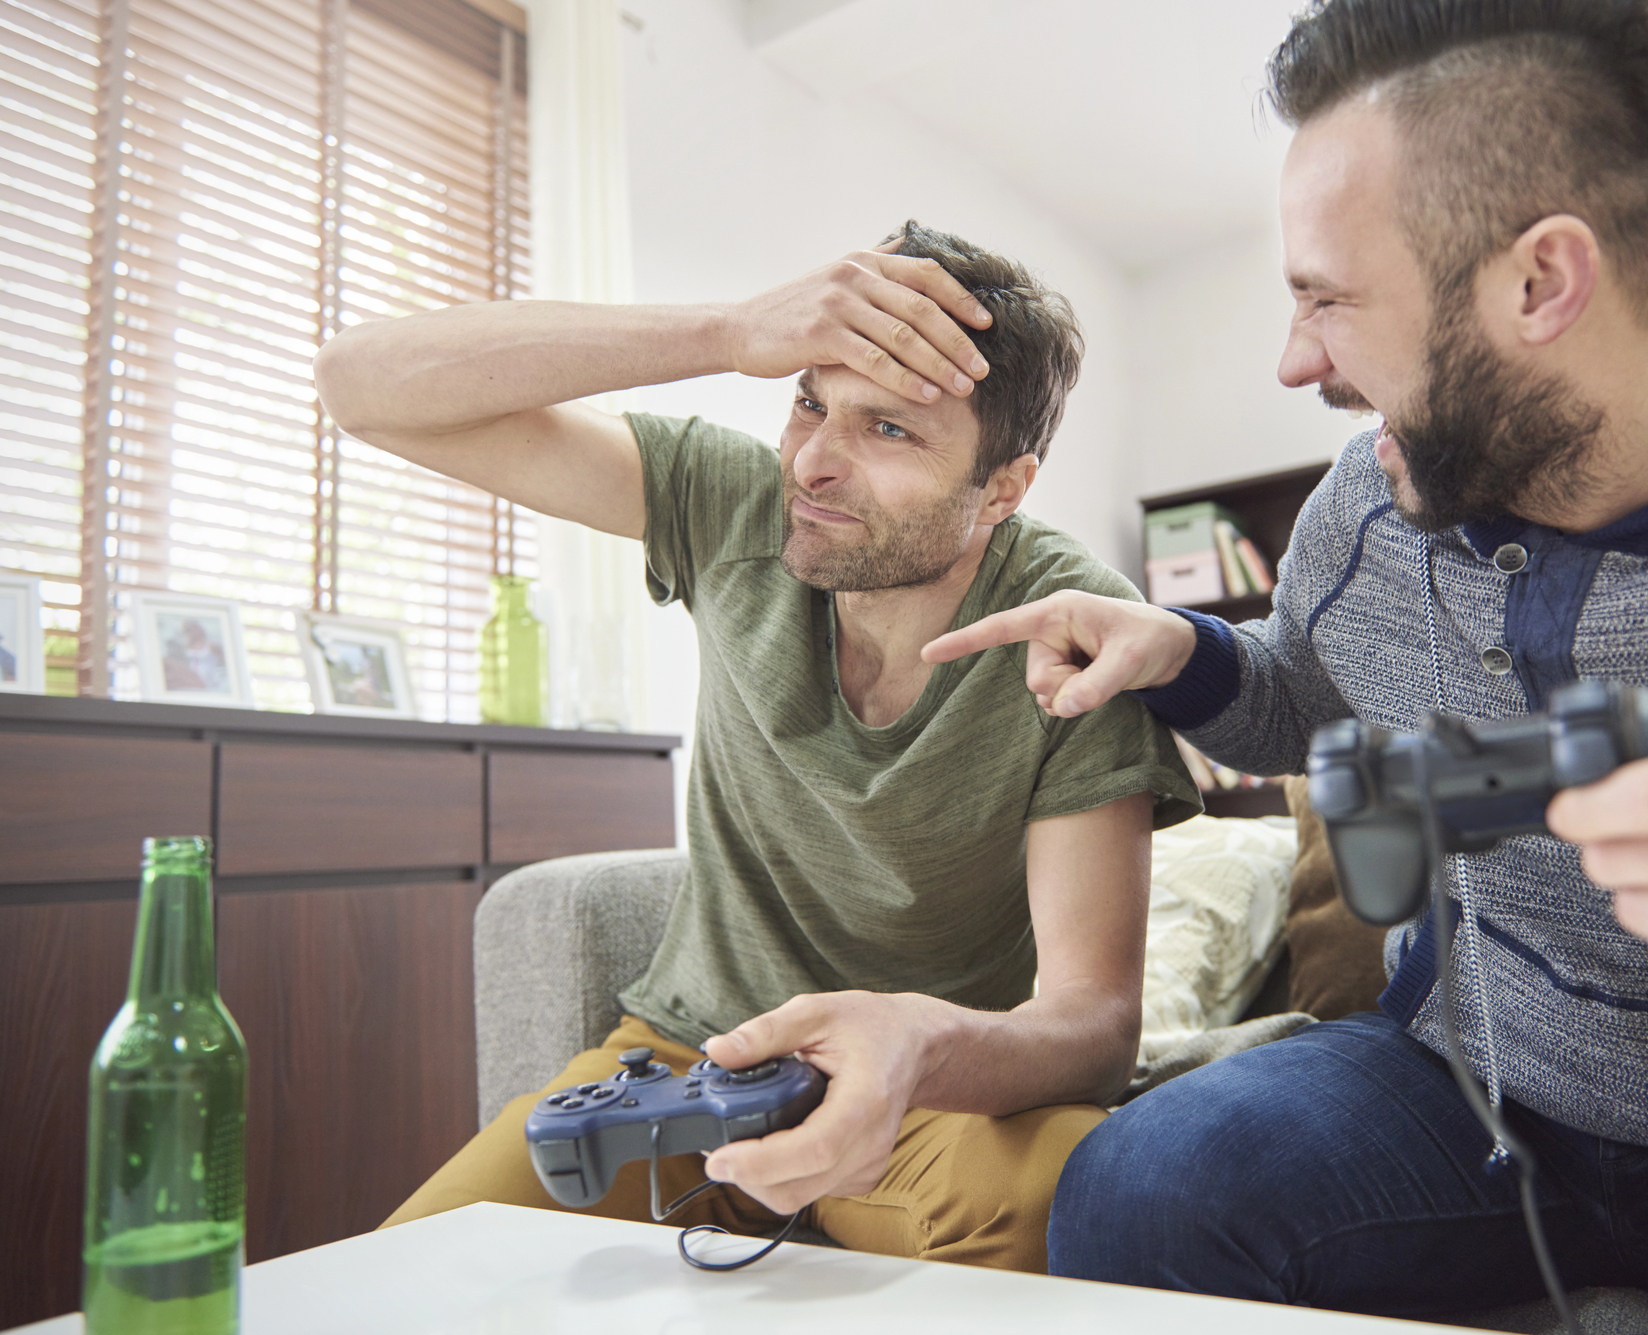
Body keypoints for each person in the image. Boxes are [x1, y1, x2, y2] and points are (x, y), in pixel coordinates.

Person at [924, 2, 1648, 1328]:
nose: (1293, 358)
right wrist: (1190, 656)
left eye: (1327, 296)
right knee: (1137, 1186)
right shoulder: (1370, 501)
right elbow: (1306, 698)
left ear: (1543, 282)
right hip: (1467, 1089)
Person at [312, 221, 1199, 1271]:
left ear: (1001, 489)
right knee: (406, 1278)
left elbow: (1091, 1024)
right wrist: (732, 329)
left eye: (890, 432)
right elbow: (360, 385)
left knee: (1054, 1199)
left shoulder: (1077, 626)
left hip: (930, 1095)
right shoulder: (729, 504)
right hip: (693, 1064)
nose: (815, 463)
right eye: (810, 403)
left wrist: (913, 1051)